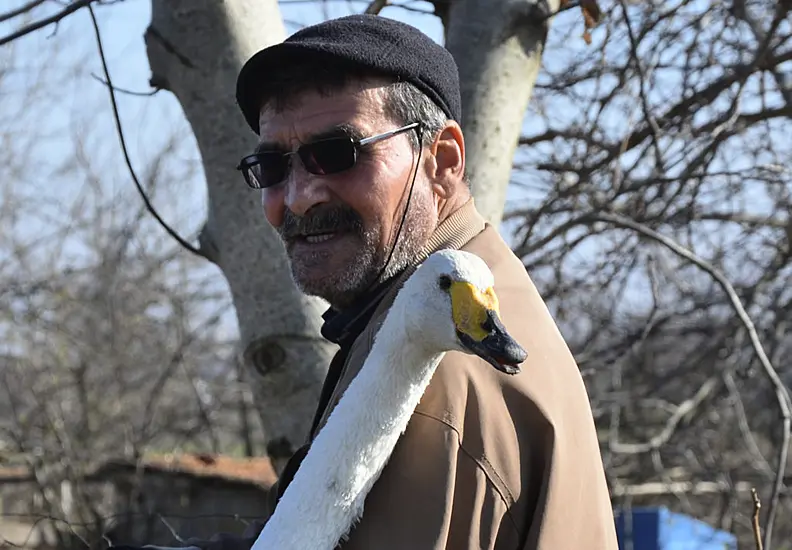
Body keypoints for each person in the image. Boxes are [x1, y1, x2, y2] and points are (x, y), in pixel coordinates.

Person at [183, 13, 616, 550]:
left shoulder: (437, 373)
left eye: (337, 154)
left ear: (442, 162)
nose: (297, 198)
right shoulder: (422, 308)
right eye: (273, 166)